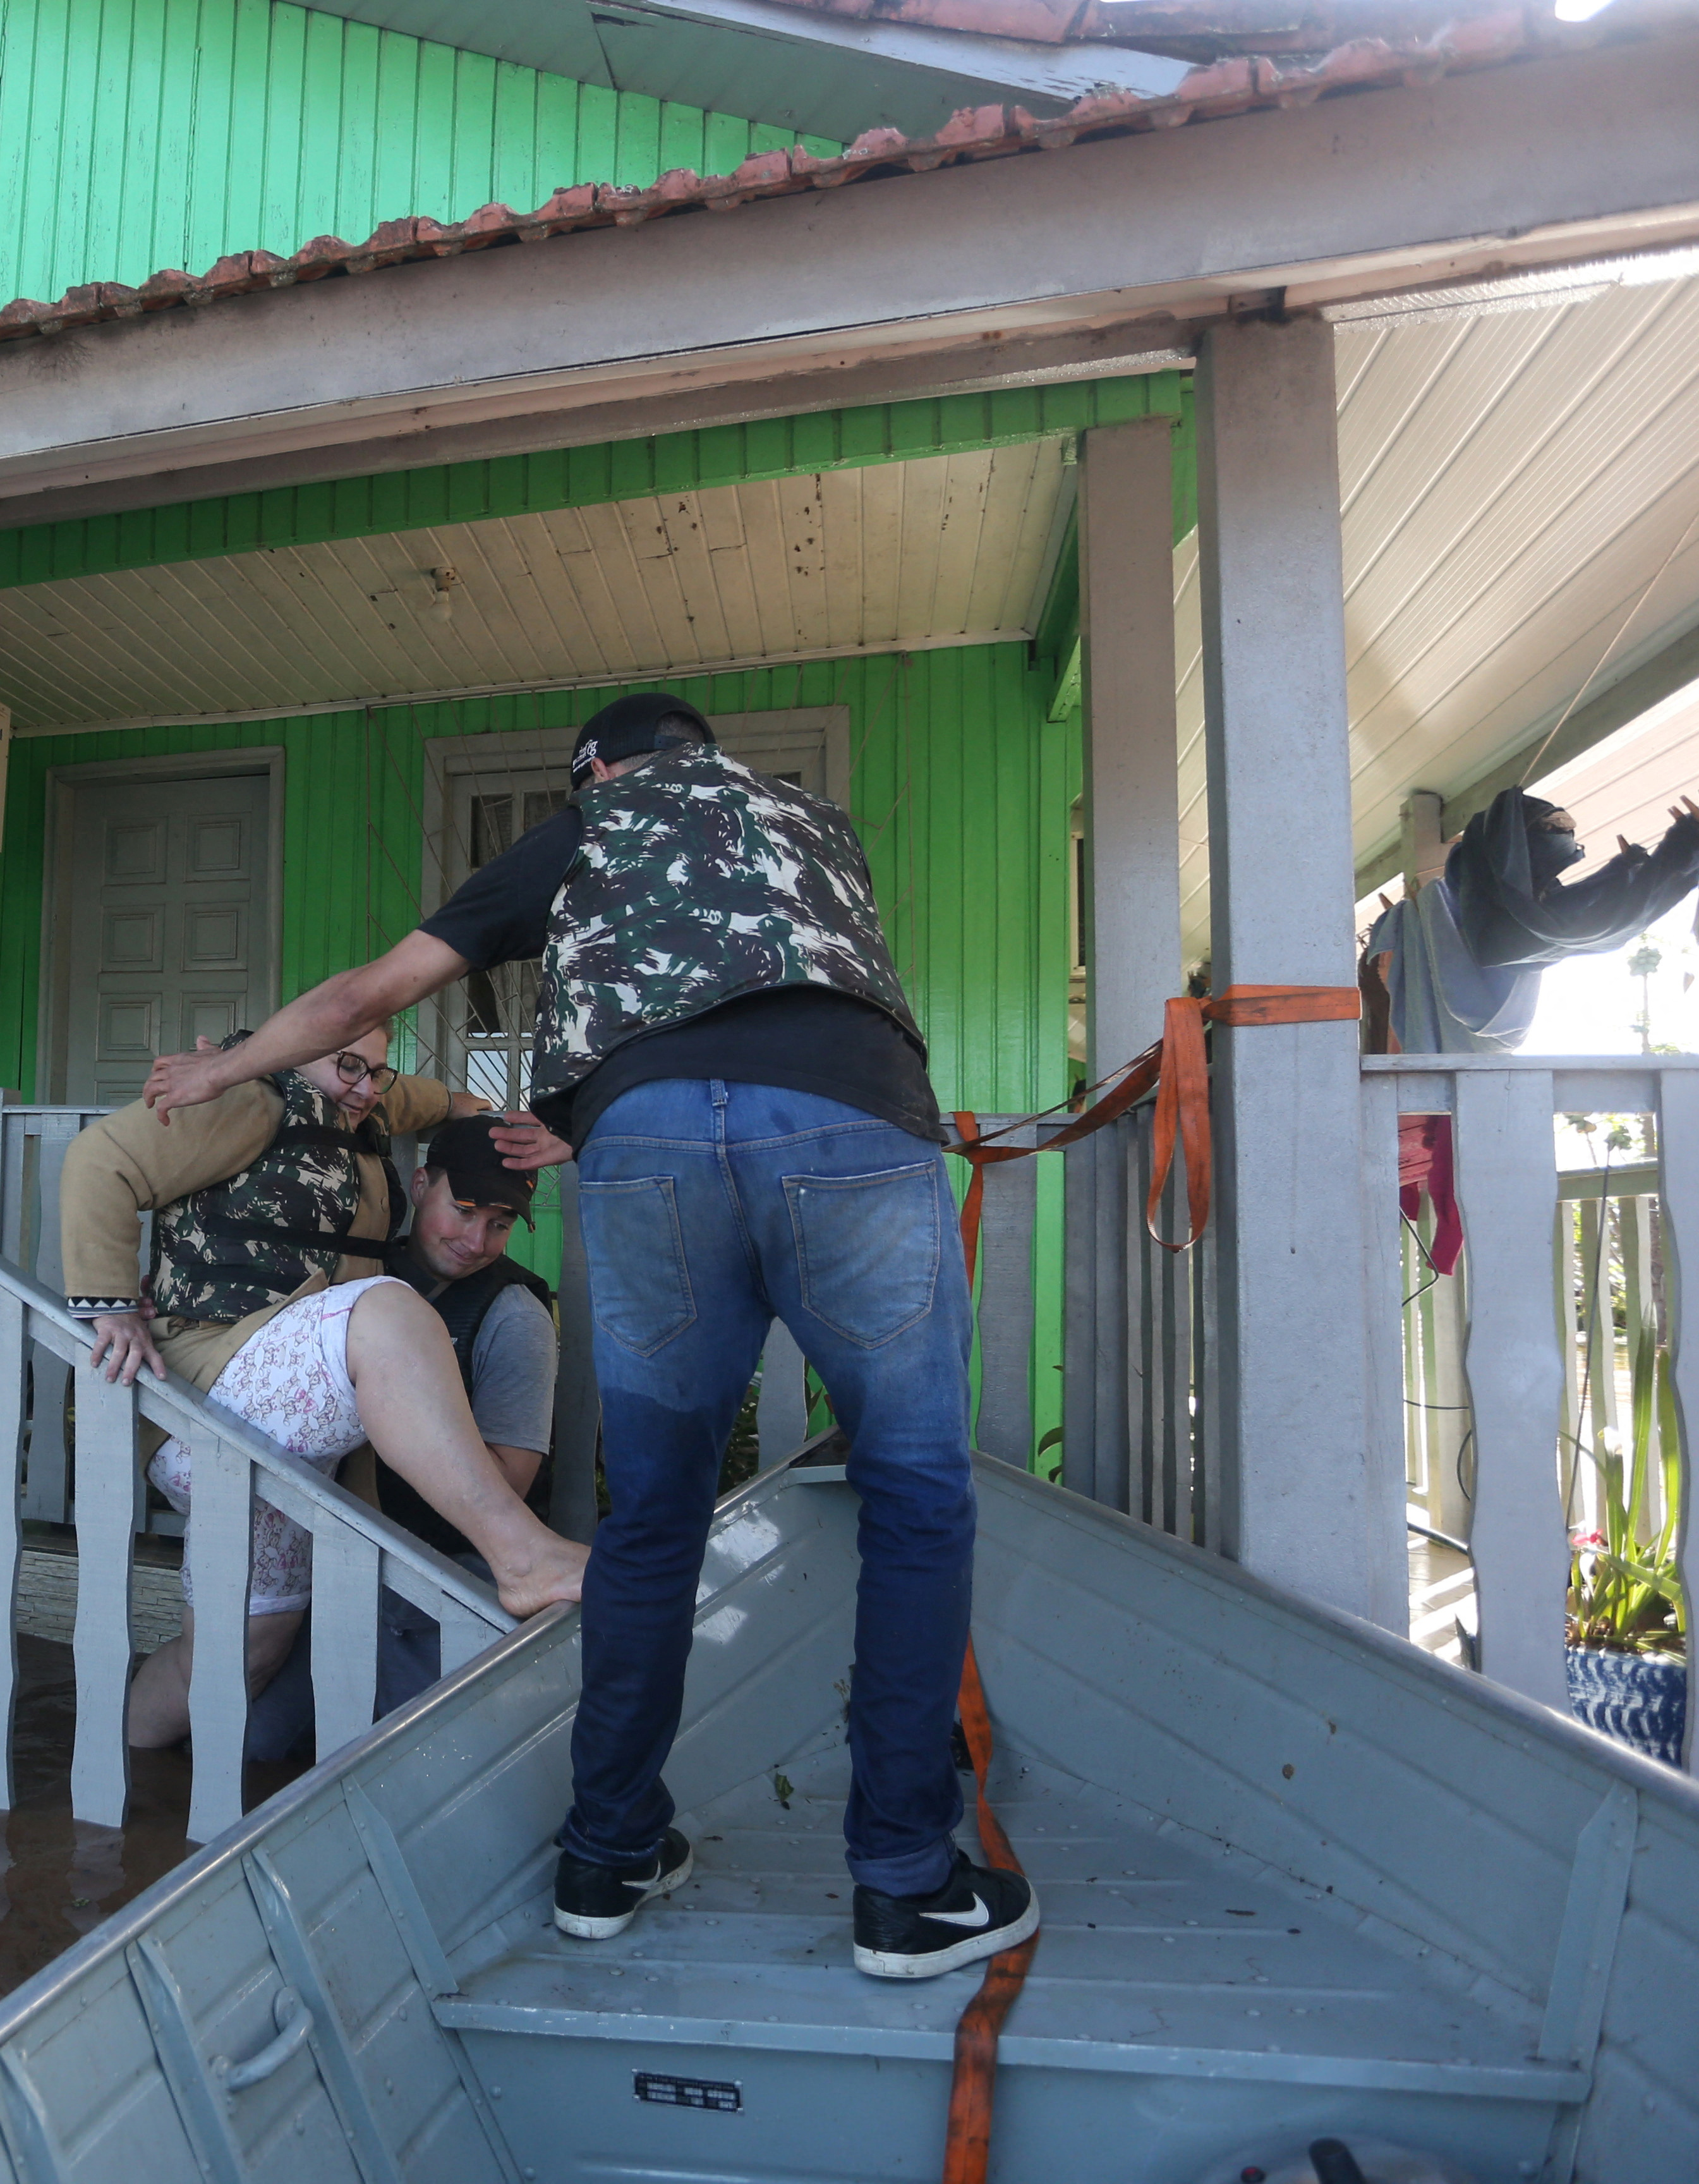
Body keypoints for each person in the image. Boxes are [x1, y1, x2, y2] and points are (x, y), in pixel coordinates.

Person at [143, 689, 1034, 1981]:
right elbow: (773, 990)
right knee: (915, 1490)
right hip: (849, 1123)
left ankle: (607, 1853)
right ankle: (907, 1885)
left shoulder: (589, 827)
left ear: (599, 771)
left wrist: (223, 1070)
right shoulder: (816, 827)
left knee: (655, 1512)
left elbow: (369, 994)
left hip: (650, 1150)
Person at [59, 1027, 589, 1751]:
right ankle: (521, 1556)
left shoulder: (358, 1102)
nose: (367, 1086)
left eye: (375, 1070)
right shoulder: (251, 1096)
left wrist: (471, 1105)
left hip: (279, 1452)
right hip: (212, 1401)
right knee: (389, 1309)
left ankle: (109, 1758)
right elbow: (101, 1160)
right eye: (348, 1065)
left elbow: (412, 1096)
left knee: (237, 1660)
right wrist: (110, 1300)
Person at [242, 1113, 560, 1758]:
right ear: (421, 1186)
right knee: (247, 1747)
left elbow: (511, 1484)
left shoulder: (515, 1316)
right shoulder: (346, 1270)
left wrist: (404, 1416)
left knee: (424, 1761)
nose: (477, 1239)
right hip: (313, 1561)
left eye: (499, 1224)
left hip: (431, 1575)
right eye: (464, 1210)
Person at [1361, 786, 1699, 1052]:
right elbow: (1607, 917)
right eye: (1553, 827)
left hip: (1462, 1084)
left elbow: (1605, 914)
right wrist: (1678, 849)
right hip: (1445, 1085)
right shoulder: (1502, 921)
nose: (1566, 838)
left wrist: (1636, 867)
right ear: (1508, 844)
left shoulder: (1524, 912)